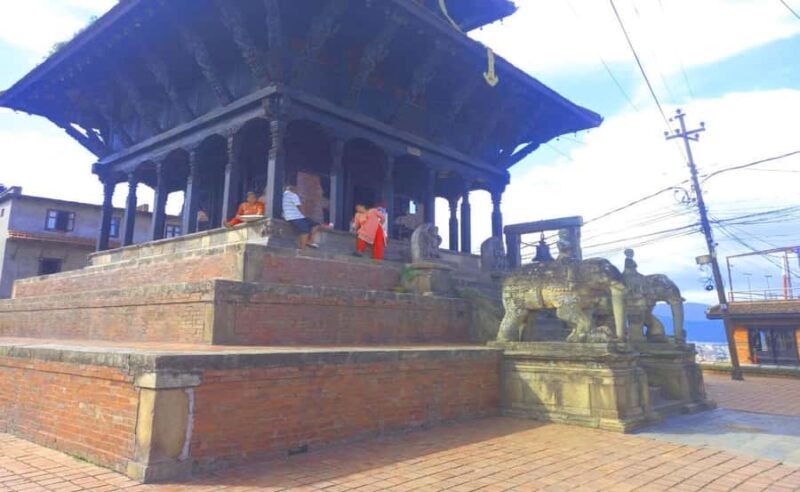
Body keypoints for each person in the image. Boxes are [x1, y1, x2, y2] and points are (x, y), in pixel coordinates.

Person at [282, 185, 320, 249]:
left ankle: (310, 241)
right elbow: (299, 206)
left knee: (315, 224)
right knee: (305, 230)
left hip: (290, 216)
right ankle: (302, 248)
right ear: (294, 189)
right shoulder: (293, 195)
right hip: (295, 217)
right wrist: (305, 214)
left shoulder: (283, 195)